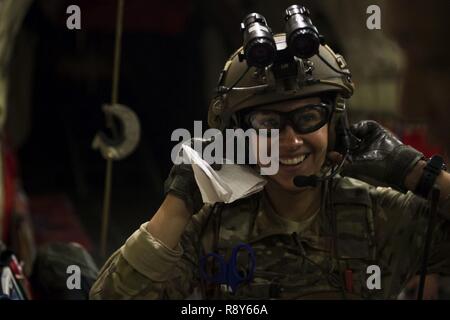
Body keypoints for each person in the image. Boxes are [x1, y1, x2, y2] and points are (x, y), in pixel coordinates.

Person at [90, 30, 450, 299]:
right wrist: (179, 202)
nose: (290, 141)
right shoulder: (210, 226)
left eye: (309, 116)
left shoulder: (374, 216)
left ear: (336, 128)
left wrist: (417, 172)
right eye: (267, 124)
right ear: (238, 137)